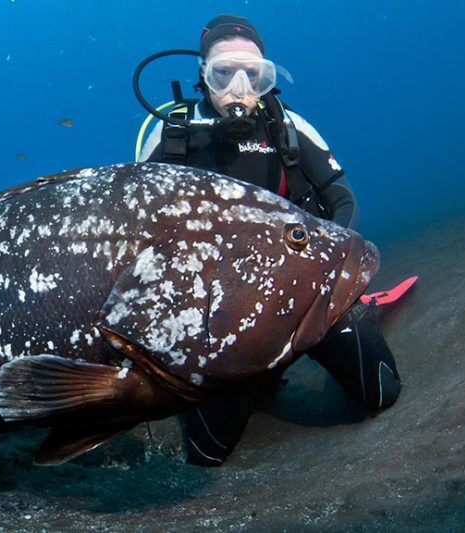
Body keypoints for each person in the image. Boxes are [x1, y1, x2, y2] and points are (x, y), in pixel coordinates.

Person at [136, 14, 404, 467]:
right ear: (202, 74)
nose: (239, 89)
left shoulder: (288, 127)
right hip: (218, 313)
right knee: (207, 453)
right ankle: (248, 376)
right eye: (224, 74)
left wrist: (332, 283)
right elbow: (141, 232)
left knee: (380, 390)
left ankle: (355, 319)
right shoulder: (171, 134)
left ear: (266, 78)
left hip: (305, 293)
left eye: (254, 76)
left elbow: (343, 202)